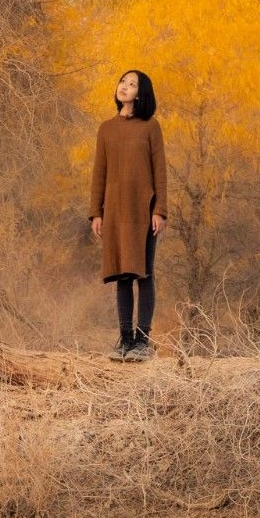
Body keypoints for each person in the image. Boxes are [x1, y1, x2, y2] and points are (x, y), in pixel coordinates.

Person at [89, 70, 168, 360]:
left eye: (132, 84)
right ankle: (124, 340)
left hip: (144, 212)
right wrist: (95, 212)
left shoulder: (151, 127)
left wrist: (160, 210)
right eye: (123, 81)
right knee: (121, 273)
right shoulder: (106, 129)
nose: (124, 86)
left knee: (144, 273)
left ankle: (143, 342)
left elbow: (160, 172)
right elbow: (99, 172)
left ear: (141, 93)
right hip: (115, 212)